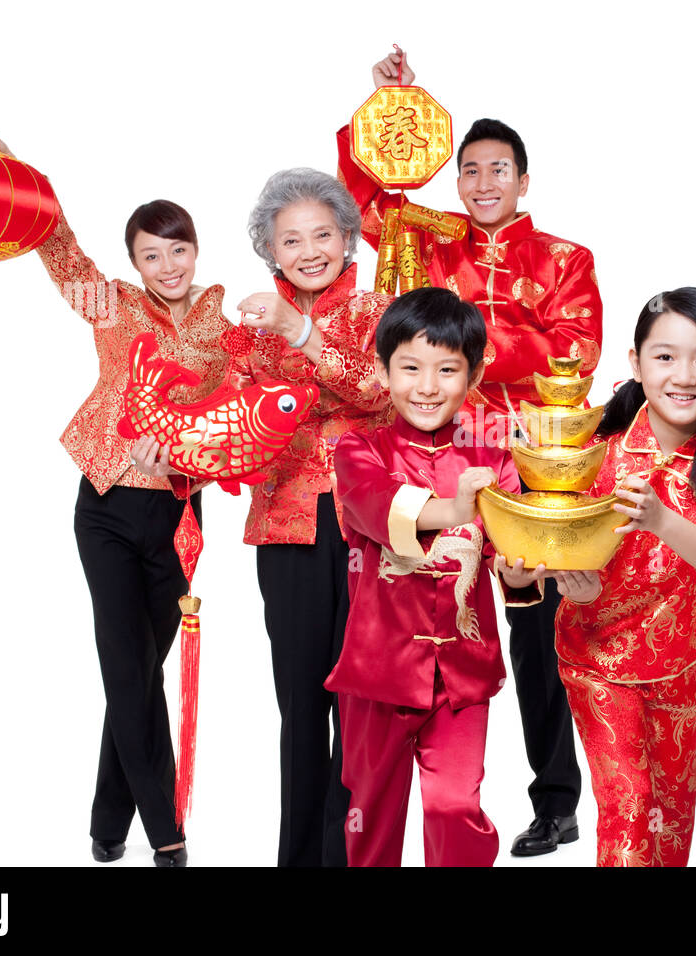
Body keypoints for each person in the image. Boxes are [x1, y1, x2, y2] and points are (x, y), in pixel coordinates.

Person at [334, 47, 600, 856]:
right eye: (471, 172)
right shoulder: (432, 238)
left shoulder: (565, 258)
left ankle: (554, 800)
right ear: (458, 183)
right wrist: (381, 117)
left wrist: (473, 336)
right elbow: (367, 204)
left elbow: (577, 352)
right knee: (425, 613)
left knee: (539, 632)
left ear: (524, 180)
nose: (484, 185)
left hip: (528, 460)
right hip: (423, 450)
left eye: (500, 171)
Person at [33, 163, 233, 866]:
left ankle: (106, 826)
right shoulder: (111, 303)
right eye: (151, 253)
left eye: (178, 249)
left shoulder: (222, 328)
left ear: (195, 250)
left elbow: (238, 425)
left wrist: (186, 459)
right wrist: (16, 178)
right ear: (134, 263)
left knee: (139, 673)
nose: (168, 264)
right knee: (126, 668)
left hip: (179, 518)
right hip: (108, 510)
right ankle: (167, 834)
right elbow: (60, 249)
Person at [326, 287, 545, 866]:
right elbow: (374, 507)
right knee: (369, 813)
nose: (427, 386)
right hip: (378, 673)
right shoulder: (359, 449)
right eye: (411, 368)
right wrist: (454, 510)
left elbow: (512, 556)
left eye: (447, 370)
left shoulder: (494, 456)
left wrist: (522, 574)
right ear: (382, 370)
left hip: (463, 674)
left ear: (472, 375)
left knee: (455, 810)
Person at [553, 287, 696, 866]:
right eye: (665, 356)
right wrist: (570, 580)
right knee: (629, 804)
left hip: (677, 659)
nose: (684, 375)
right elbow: (560, 542)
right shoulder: (595, 445)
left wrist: (662, 519)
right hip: (597, 658)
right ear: (636, 362)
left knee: (673, 811)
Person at [235, 168, 393, 867]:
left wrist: (302, 333)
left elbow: (378, 394)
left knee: (361, 706)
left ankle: (347, 855)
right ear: (270, 249)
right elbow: (231, 422)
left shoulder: (377, 310)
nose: (307, 250)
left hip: (366, 520)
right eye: (290, 239)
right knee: (301, 707)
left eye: (322, 235)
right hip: (287, 529)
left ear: (348, 237)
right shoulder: (249, 327)